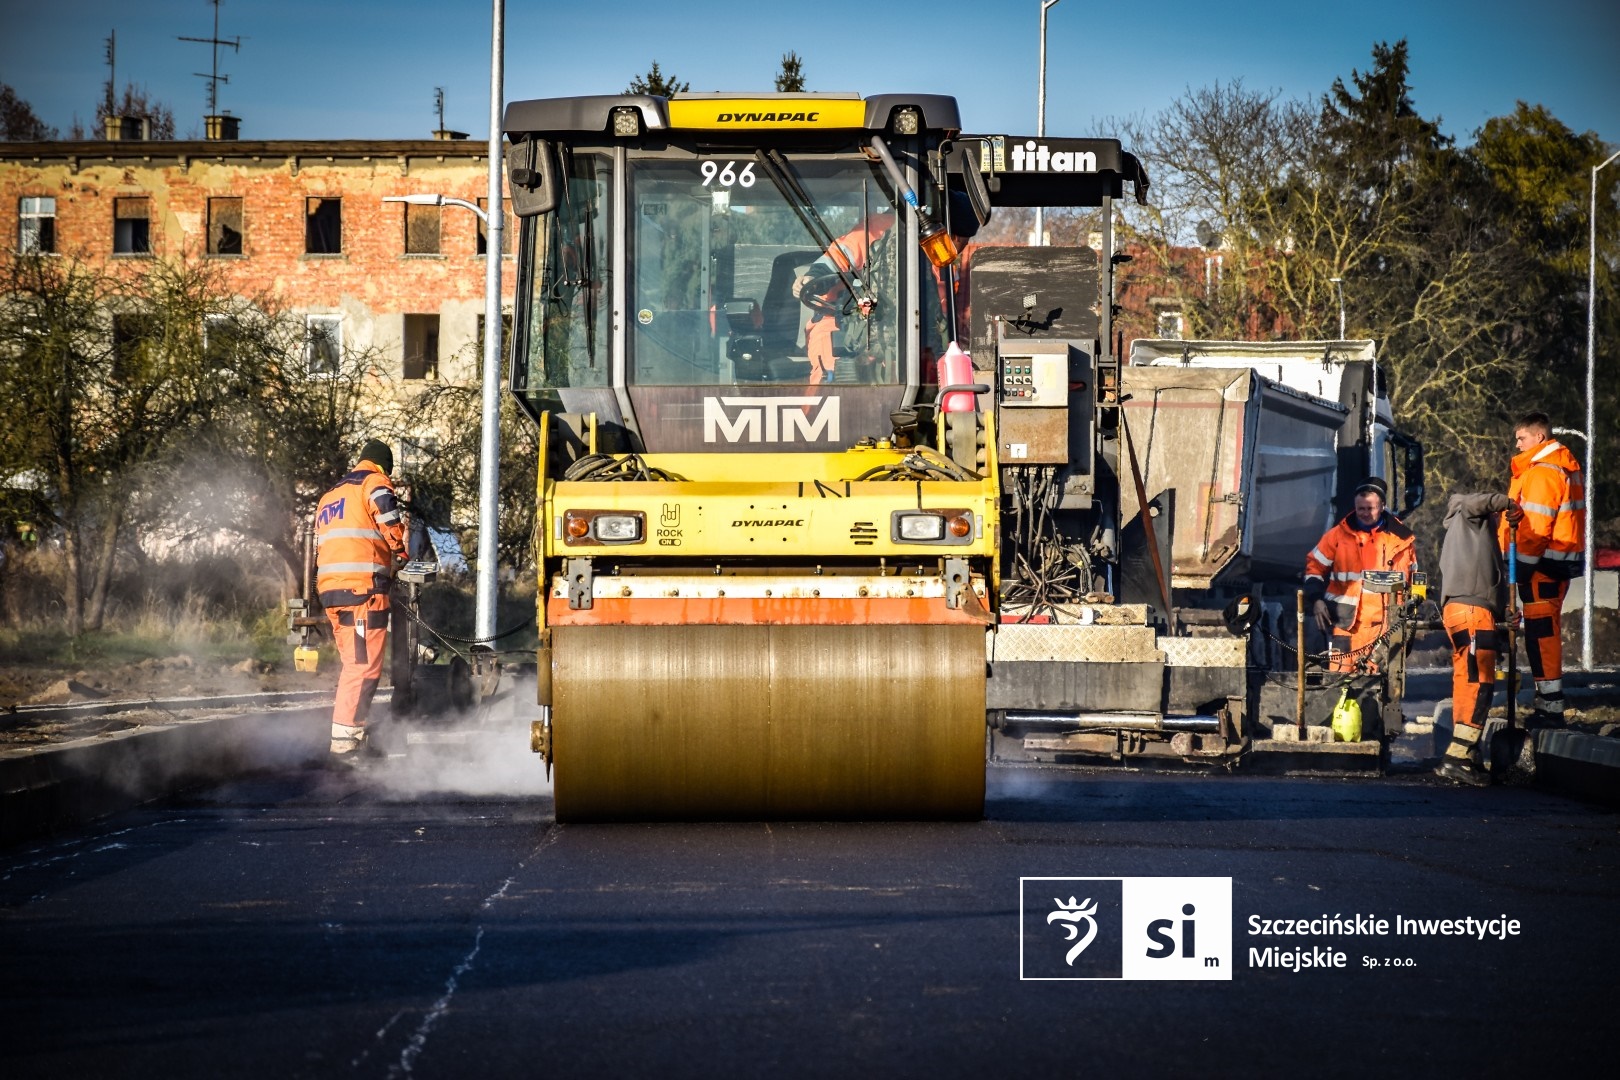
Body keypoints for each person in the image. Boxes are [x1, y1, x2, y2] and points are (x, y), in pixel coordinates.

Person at [313, 439, 407, 758]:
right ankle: (346, 743)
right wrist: (400, 552)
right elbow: (389, 521)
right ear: (383, 465)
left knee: (353, 662)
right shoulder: (375, 482)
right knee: (362, 666)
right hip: (362, 592)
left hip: (332, 592)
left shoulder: (330, 495)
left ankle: (350, 734)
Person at [1498, 411, 1586, 719]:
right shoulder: (1558, 466)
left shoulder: (1544, 472)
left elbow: (1536, 530)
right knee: (1542, 632)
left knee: (1542, 634)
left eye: (1522, 438)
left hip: (1541, 566)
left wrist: (1519, 568)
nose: (1518, 444)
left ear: (1539, 437)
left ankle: (1550, 707)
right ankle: (1547, 703)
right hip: (1552, 564)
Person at [1435, 492, 1524, 786]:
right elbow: (1476, 502)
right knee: (1480, 682)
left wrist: (1502, 619)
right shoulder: (1469, 517)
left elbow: (1488, 585)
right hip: (1471, 611)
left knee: (1467, 680)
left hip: (1467, 612)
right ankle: (1456, 757)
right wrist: (1507, 502)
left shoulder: (1468, 536)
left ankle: (1467, 755)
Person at [1303, 477, 1418, 672]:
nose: (1365, 513)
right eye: (1360, 509)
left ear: (1382, 506)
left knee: (1380, 691)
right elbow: (1313, 568)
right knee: (1340, 685)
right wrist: (1316, 600)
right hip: (1345, 626)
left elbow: (1415, 581)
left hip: (1386, 629)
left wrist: (1411, 616)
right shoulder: (1337, 536)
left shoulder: (1402, 540)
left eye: (1370, 508)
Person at [790, 211, 895, 387]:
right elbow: (838, 258)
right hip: (847, 319)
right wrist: (813, 278)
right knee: (831, 383)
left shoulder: (937, 231)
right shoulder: (875, 230)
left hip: (912, 330)